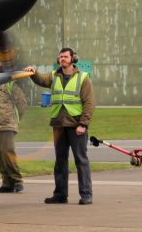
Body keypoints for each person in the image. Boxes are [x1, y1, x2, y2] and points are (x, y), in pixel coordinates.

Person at [25, 47, 96, 205]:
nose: (62, 59)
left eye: (65, 56)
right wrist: (33, 72)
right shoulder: (54, 76)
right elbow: (41, 80)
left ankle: (86, 194)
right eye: (60, 57)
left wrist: (83, 124)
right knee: (60, 161)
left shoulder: (83, 78)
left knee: (81, 160)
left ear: (72, 59)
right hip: (59, 125)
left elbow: (89, 103)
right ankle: (60, 194)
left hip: (76, 125)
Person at [0, 62, 27, 193]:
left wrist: (14, 120)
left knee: (7, 153)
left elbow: (22, 103)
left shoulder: (9, 84)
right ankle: (7, 183)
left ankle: (17, 181)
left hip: (7, 125)